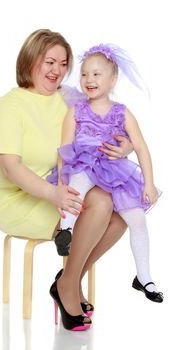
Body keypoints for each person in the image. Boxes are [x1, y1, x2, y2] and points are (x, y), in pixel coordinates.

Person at [0, 29, 133, 331]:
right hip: (21, 199)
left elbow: (108, 117)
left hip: (65, 185)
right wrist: (53, 194)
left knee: (119, 215)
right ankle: (68, 288)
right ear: (30, 60)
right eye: (49, 62)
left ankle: (68, 281)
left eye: (63, 63)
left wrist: (127, 145)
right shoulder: (8, 106)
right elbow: (10, 167)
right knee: (100, 208)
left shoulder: (69, 98)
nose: (57, 71)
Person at [50, 43, 163, 303]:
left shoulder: (122, 113)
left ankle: (144, 277)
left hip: (115, 171)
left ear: (113, 80)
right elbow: (64, 149)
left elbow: (142, 147)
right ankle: (65, 230)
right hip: (84, 165)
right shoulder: (75, 111)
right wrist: (61, 179)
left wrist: (149, 183)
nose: (89, 79)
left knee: (136, 219)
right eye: (84, 74)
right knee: (79, 180)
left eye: (97, 74)